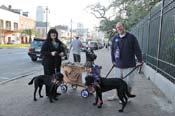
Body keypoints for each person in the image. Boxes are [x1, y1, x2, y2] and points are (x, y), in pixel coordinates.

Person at [108, 22, 143, 101]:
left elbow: (137, 49)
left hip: (129, 65)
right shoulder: (115, 38)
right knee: (116, 82)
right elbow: (112, 50)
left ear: (124, 27)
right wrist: (113, 60)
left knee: (128, 83)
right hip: (118, 65)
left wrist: (140, 60)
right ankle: (116, 95)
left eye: (120, 27)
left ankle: (126, 97)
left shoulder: (131, 37)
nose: (119, 29)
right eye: (117, 28)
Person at [41, 28, 65, 97]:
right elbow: (42, 52)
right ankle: (49, 94)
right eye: (52, 33)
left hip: (57, 63)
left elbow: (63, 50)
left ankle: (54, 92)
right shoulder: (46, 42)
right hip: (48, 64)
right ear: (50, 34)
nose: (53, 34)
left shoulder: (59, 42)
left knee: (56, 78)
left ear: (56, 34)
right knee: (49, 79)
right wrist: (51, 53)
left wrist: (63, 53)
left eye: (55, 33)